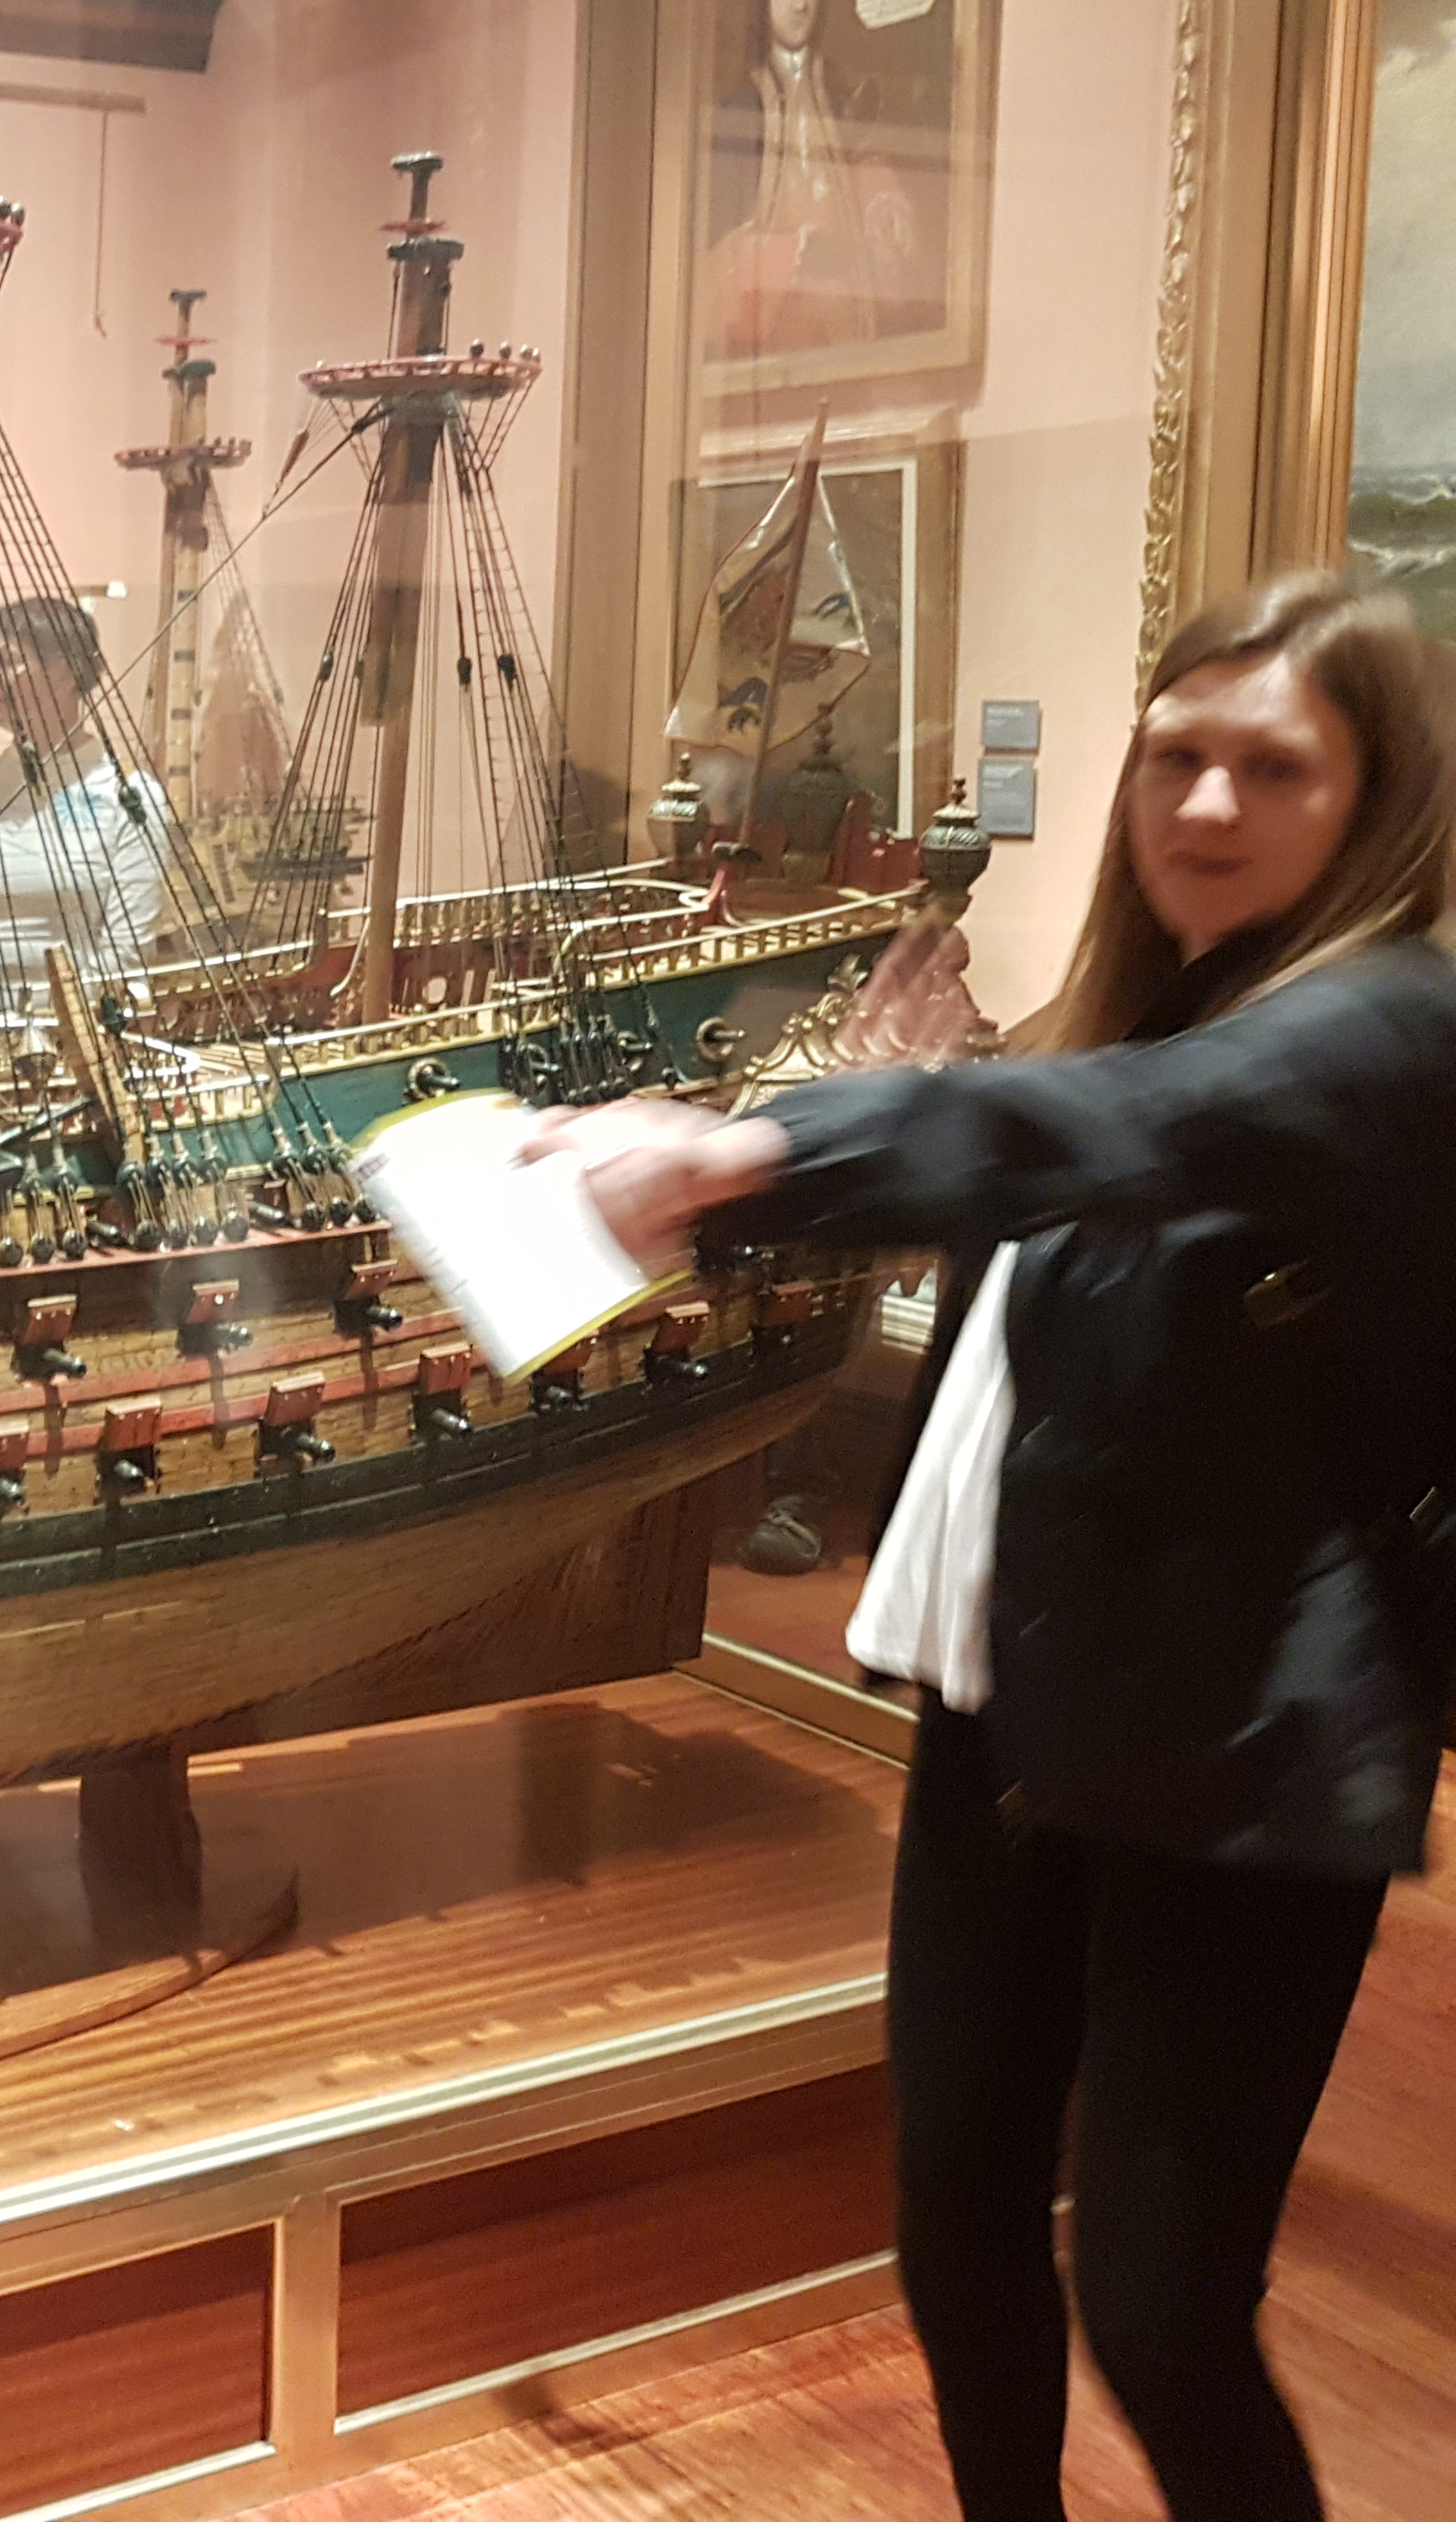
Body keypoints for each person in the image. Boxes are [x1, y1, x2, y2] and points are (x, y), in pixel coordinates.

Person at [531, 573, 1454, 2521]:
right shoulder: (1139, 1015)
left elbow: (1115, 1130)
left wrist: (747, 1151)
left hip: (1239, 1758)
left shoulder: (1387, 1032)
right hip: (1016, 1708)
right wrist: (702, 1169)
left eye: (1273, 767)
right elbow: (1050, 1146)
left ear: (1377, 798)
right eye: (1175, 756)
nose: (1206, 804)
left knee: (1162, 2306)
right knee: (953, 2226)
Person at [0, 594, 170, 1023]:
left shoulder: (128, 797)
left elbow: (124, 953)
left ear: (66, 672)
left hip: (79, 1043)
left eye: (7, 662)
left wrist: (45, 1042)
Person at [703, 0, 920, 360]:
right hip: (775, 322)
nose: (800, 2)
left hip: (845, 318)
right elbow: (716, 252)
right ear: (762, 1)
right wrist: (795, 251)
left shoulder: (841, 91)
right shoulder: (741, 109)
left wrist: (885, 206)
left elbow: (867, 169)